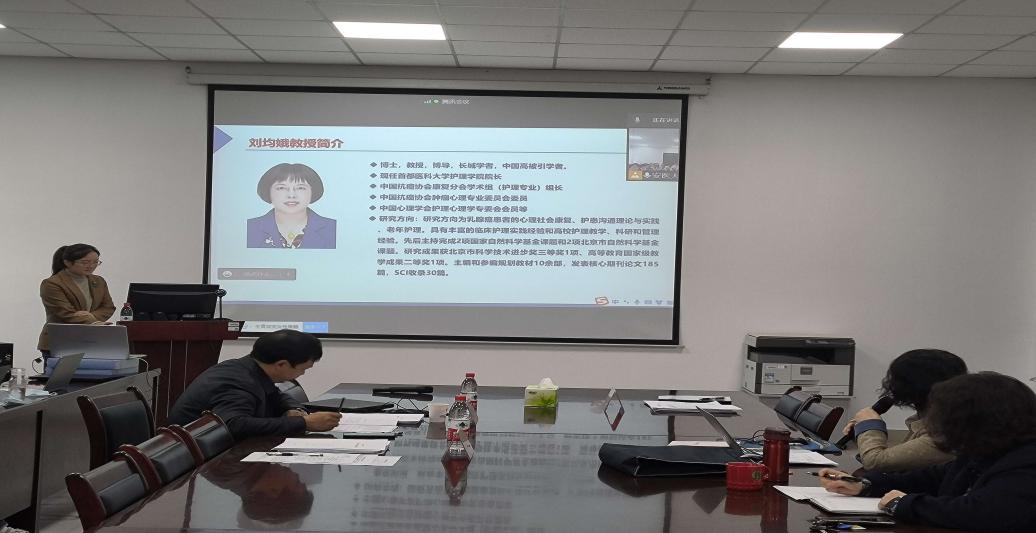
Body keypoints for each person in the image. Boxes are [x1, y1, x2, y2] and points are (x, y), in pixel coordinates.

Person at [818, 372, 1036, 532]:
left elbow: (981, 512)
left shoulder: (1026, 463)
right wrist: (866, 485)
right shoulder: (985, 450)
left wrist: (904, 504)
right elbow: (932, 478)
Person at [168, 329, 340, 439]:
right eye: (303, 369)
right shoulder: (238, 384)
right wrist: (304, 423)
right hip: (196, 463)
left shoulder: (248, 368)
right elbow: (234, 425)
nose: (302, 374)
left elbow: (276, 395)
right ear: (281, 364)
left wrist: (295, 409)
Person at [841, 349, 967, 472]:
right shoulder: (937, 419)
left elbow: (875, 462)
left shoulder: (945, 434)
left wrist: (870, 426)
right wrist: (862, 432)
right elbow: (903, 460)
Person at [37, 243, 115, 355]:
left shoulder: (99, 281)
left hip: (91, 340)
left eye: (95, 262)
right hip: (61, 340)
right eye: (85, 262)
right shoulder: (52, 283)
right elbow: (65, 312)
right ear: (67, 262)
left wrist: (92, 317)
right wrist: (95, 323)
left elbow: (108, 307)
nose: (91, 266)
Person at [246, 163, 336, 249]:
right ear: (268, 191)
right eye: (281, 188)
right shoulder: (249, 228)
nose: (291, 195)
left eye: (300, 188)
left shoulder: (332, 228)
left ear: (313, 191)